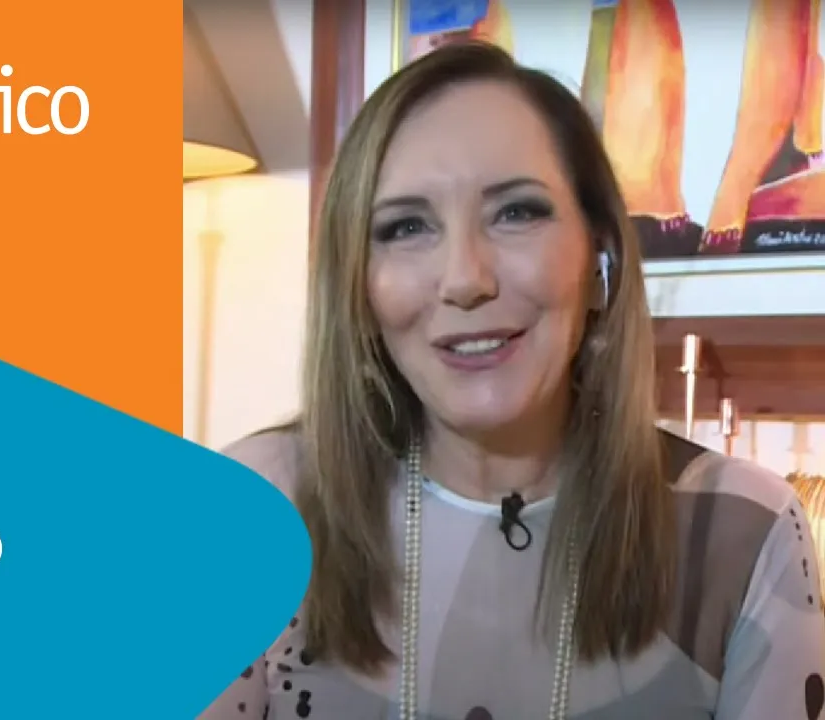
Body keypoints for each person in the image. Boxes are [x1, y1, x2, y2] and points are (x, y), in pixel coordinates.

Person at [200, 41, 825, 719]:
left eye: (517, 212)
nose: (466, 279)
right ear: (358, 283)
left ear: (599, 258)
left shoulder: (742, 533)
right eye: (406, 226)